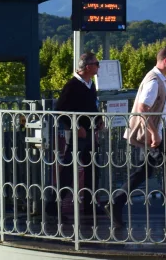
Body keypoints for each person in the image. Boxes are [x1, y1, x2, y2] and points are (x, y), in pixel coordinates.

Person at [111, 46, 166, 234]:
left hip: (160, 133)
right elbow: (143, 108)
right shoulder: (154, 80)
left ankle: (117, 203)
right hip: (156, 135)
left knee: (148, 172)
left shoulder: (158, 78)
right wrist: (154, 133)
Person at [54, 52, 104, 220]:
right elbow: (61, 110)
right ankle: (54, 206)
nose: (98, 67)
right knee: (69, 169)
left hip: (90, 132)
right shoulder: (72, 85)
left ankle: (91, 205)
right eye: (97, 64)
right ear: (88, 66)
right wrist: (75, 126)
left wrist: (99, 120)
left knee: (93, 169)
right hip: (77, 134)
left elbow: (92, 106)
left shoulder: (90, 84)